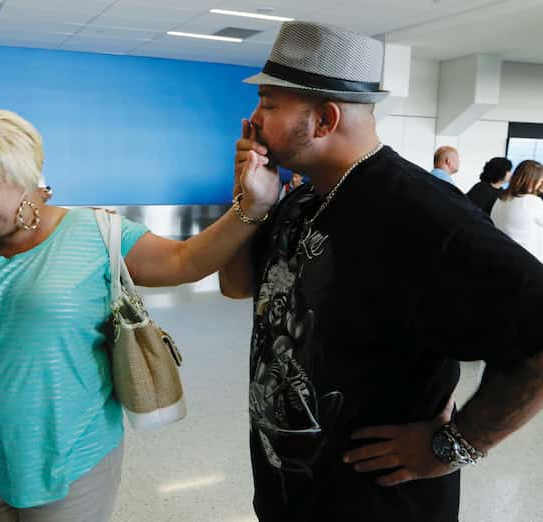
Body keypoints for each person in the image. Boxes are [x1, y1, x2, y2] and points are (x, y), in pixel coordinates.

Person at [219, 21, 543, 522]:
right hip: (289, 494)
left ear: (324, 119)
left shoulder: (426, 216)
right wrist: (250, 202)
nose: (254, 119)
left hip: (376, 505)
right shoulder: (300, 198)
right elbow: (236, 285)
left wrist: (454, 445)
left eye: (269, 103)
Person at [0, 109, 276, 522]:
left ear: (20, 174)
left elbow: (184, 261)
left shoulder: (93, 233)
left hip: (73, 462)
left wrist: (251, 205)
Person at [490, 159, 543, 262]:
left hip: (503, 258)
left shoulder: (500, 199)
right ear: (531, 181)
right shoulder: (531, 201)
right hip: (528, 263)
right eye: (541, 181)